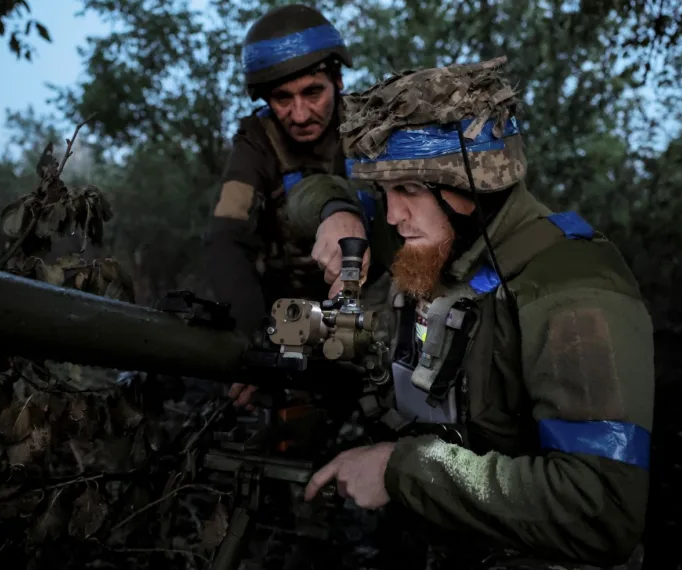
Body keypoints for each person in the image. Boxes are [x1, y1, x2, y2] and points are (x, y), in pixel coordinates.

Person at [291, 57, 654, 569]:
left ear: (474, 184)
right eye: (384, 193)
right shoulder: (442, 248)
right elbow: (309, 197)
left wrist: (402, 470)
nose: (392, 216)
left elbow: (599, 509)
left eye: (409, 190)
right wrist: (339, 213)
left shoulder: (574, 291)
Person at [200, 4, 387, 408]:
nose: (299, 115)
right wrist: (252, 337)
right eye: (282, 98)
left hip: (371, 306)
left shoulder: (372, 127)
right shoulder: (256, 141)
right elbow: (226, 238)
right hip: (285, 312)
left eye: (312, 92)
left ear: (337, 80)